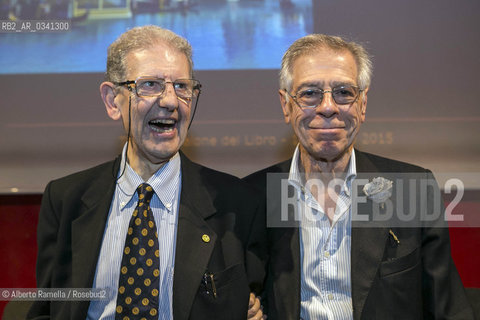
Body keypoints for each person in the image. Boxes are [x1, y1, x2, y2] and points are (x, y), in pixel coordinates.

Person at [27, 25, 265, 320]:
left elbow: (262, 300)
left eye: (182, 86)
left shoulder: (237, 204)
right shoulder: (65, 200)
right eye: (150, 85)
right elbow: (47, 311)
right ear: (113, 100)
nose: (170, 101)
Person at [244, 34, 474, 319]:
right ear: (286, 105)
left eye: (344, 92)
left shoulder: (412, 189)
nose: (328, 107)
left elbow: (448, 309)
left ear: (362, 104)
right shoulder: (251, 198)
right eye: (309, 93)